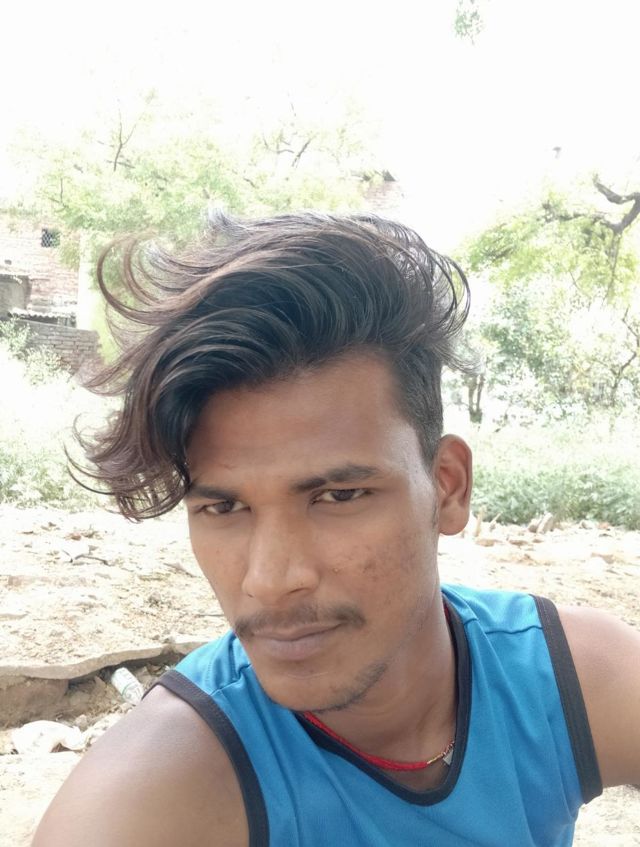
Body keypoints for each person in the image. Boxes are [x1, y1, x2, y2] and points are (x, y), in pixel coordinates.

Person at [33, 213, 639, 847]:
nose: (270, 581)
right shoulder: (158, 791)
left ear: (447, 487)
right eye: (224, 508)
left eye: (338, 496)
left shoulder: (566, 681)